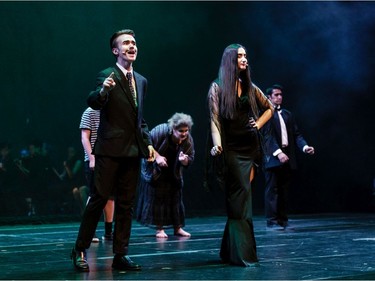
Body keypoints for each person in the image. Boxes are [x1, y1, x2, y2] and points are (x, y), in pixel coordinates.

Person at [70, 29, 155, 272]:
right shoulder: (106, 75)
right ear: (115, 50)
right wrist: (104, 91)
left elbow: (139, 119)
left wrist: (147, 142)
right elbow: (94, 101)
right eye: (126, 43)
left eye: (134, 43)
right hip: (109, 149)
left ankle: (120, 254)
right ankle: (79, 249)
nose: (132, 46)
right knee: (98, 201)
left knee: (126, 205)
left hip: (131, 151)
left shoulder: (141, 80)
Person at [207, 44, 274, 267]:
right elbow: (215, 122)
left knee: (242, 200)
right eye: (240, 56)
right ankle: (241, 253)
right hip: (232, 151)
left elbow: (269, 107)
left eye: (246, 55)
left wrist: (258, 125)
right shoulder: (217, 88)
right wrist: (217, 146)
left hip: (250, 150)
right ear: (230, 61)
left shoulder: (249, 86)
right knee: (240, 199)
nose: (244, 60)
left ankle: (231, 251)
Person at [262, 84, 315, 230]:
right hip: (273, 157)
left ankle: (282, 219)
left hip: (287, 157)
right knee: (272, 190)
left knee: (284, 190)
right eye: (276, 95)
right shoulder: (265, 114)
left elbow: (296, 135)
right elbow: (267, 137)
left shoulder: (287, 114)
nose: (279, 97)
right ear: (269, 97)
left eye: (281, 95)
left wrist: (305, 147)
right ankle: (272, 221)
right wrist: (278, 153)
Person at [136, 112, 195, 238]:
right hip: (155, 170)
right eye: (181, 130)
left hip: (173, 171)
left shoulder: (187, 139)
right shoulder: (160, 131)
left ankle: (177, 228)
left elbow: (190, 156)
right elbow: (147, 146)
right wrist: (157, 157)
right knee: (158, 199)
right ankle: (160, 229)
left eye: (186, 130)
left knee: (175, 199)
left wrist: (184, 160)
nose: (184, 133)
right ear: (173, 128)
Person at [79, 107, 114, 242]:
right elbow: (84, 137)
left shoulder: (112, 111)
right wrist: (92, 158)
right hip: (94, 159)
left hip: (110, 159)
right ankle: (89, 231)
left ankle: (108, 232)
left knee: (110, 197)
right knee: (95, 196)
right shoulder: (89, 112)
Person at [59, 146, 88, 215]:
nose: (70, 154)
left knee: (82, 190)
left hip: (82, 183)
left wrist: (66, 166)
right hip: (73, 185)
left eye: (72, 152)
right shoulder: (68, 162)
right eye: (69, 152)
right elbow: (63, 175)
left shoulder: (78, 161)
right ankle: (82, 210)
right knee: (75, 191)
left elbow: (72, 175)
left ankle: (87, 210)